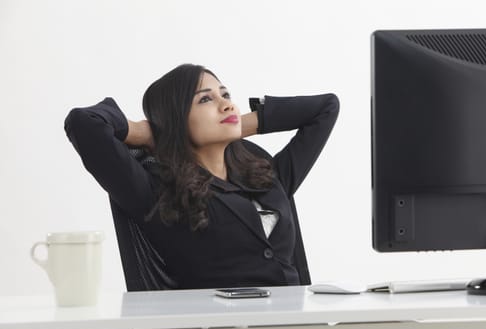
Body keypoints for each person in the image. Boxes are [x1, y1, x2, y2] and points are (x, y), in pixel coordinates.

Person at [65, 63, 339, 289]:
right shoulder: (156, 192)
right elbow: (83, 123)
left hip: (296, 328)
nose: (227, 105)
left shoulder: (265, 175)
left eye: (226, 95)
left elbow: (326, 108)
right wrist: (151, 132)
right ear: (176, 119)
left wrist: (236, 125)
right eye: (206, 99)